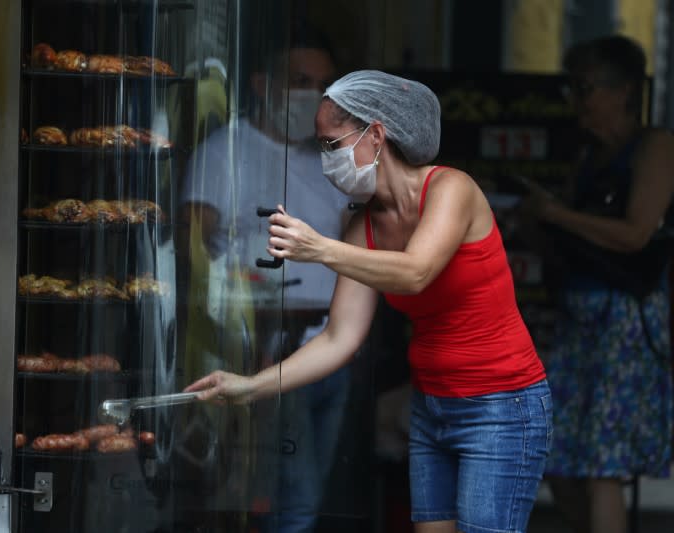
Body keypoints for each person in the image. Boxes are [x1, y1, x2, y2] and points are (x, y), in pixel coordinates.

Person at [185, 70, 552, 533]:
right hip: (432, 405)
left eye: (331, 144)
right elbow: (340, 337)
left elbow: (417, 271)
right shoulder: (363, 225)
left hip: (501, 405)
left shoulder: (451, 189)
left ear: (376, 135)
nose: (324, 160)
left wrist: (319, 249)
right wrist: (250, 386)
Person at [179, 25, 353, 532]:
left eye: (322, 86)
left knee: (314, 491)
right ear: (261, 84)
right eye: (300, 80)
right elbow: (190, 252)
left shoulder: (333, 163)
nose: (312, 97)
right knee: (290, 499)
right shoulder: (224, 151)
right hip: (264, 349)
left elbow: (356, 246)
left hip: (334, 350)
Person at [522, 35, 674, 533]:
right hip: (577, 319)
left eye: (585, 88)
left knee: (601, 465)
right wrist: (536, 224)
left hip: (625, 321)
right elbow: (565, 238)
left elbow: (635, 234)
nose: (577, 101)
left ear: (624, 91)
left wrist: (559, 215)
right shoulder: (589, 159)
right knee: (555, 452)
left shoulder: (654, 147)